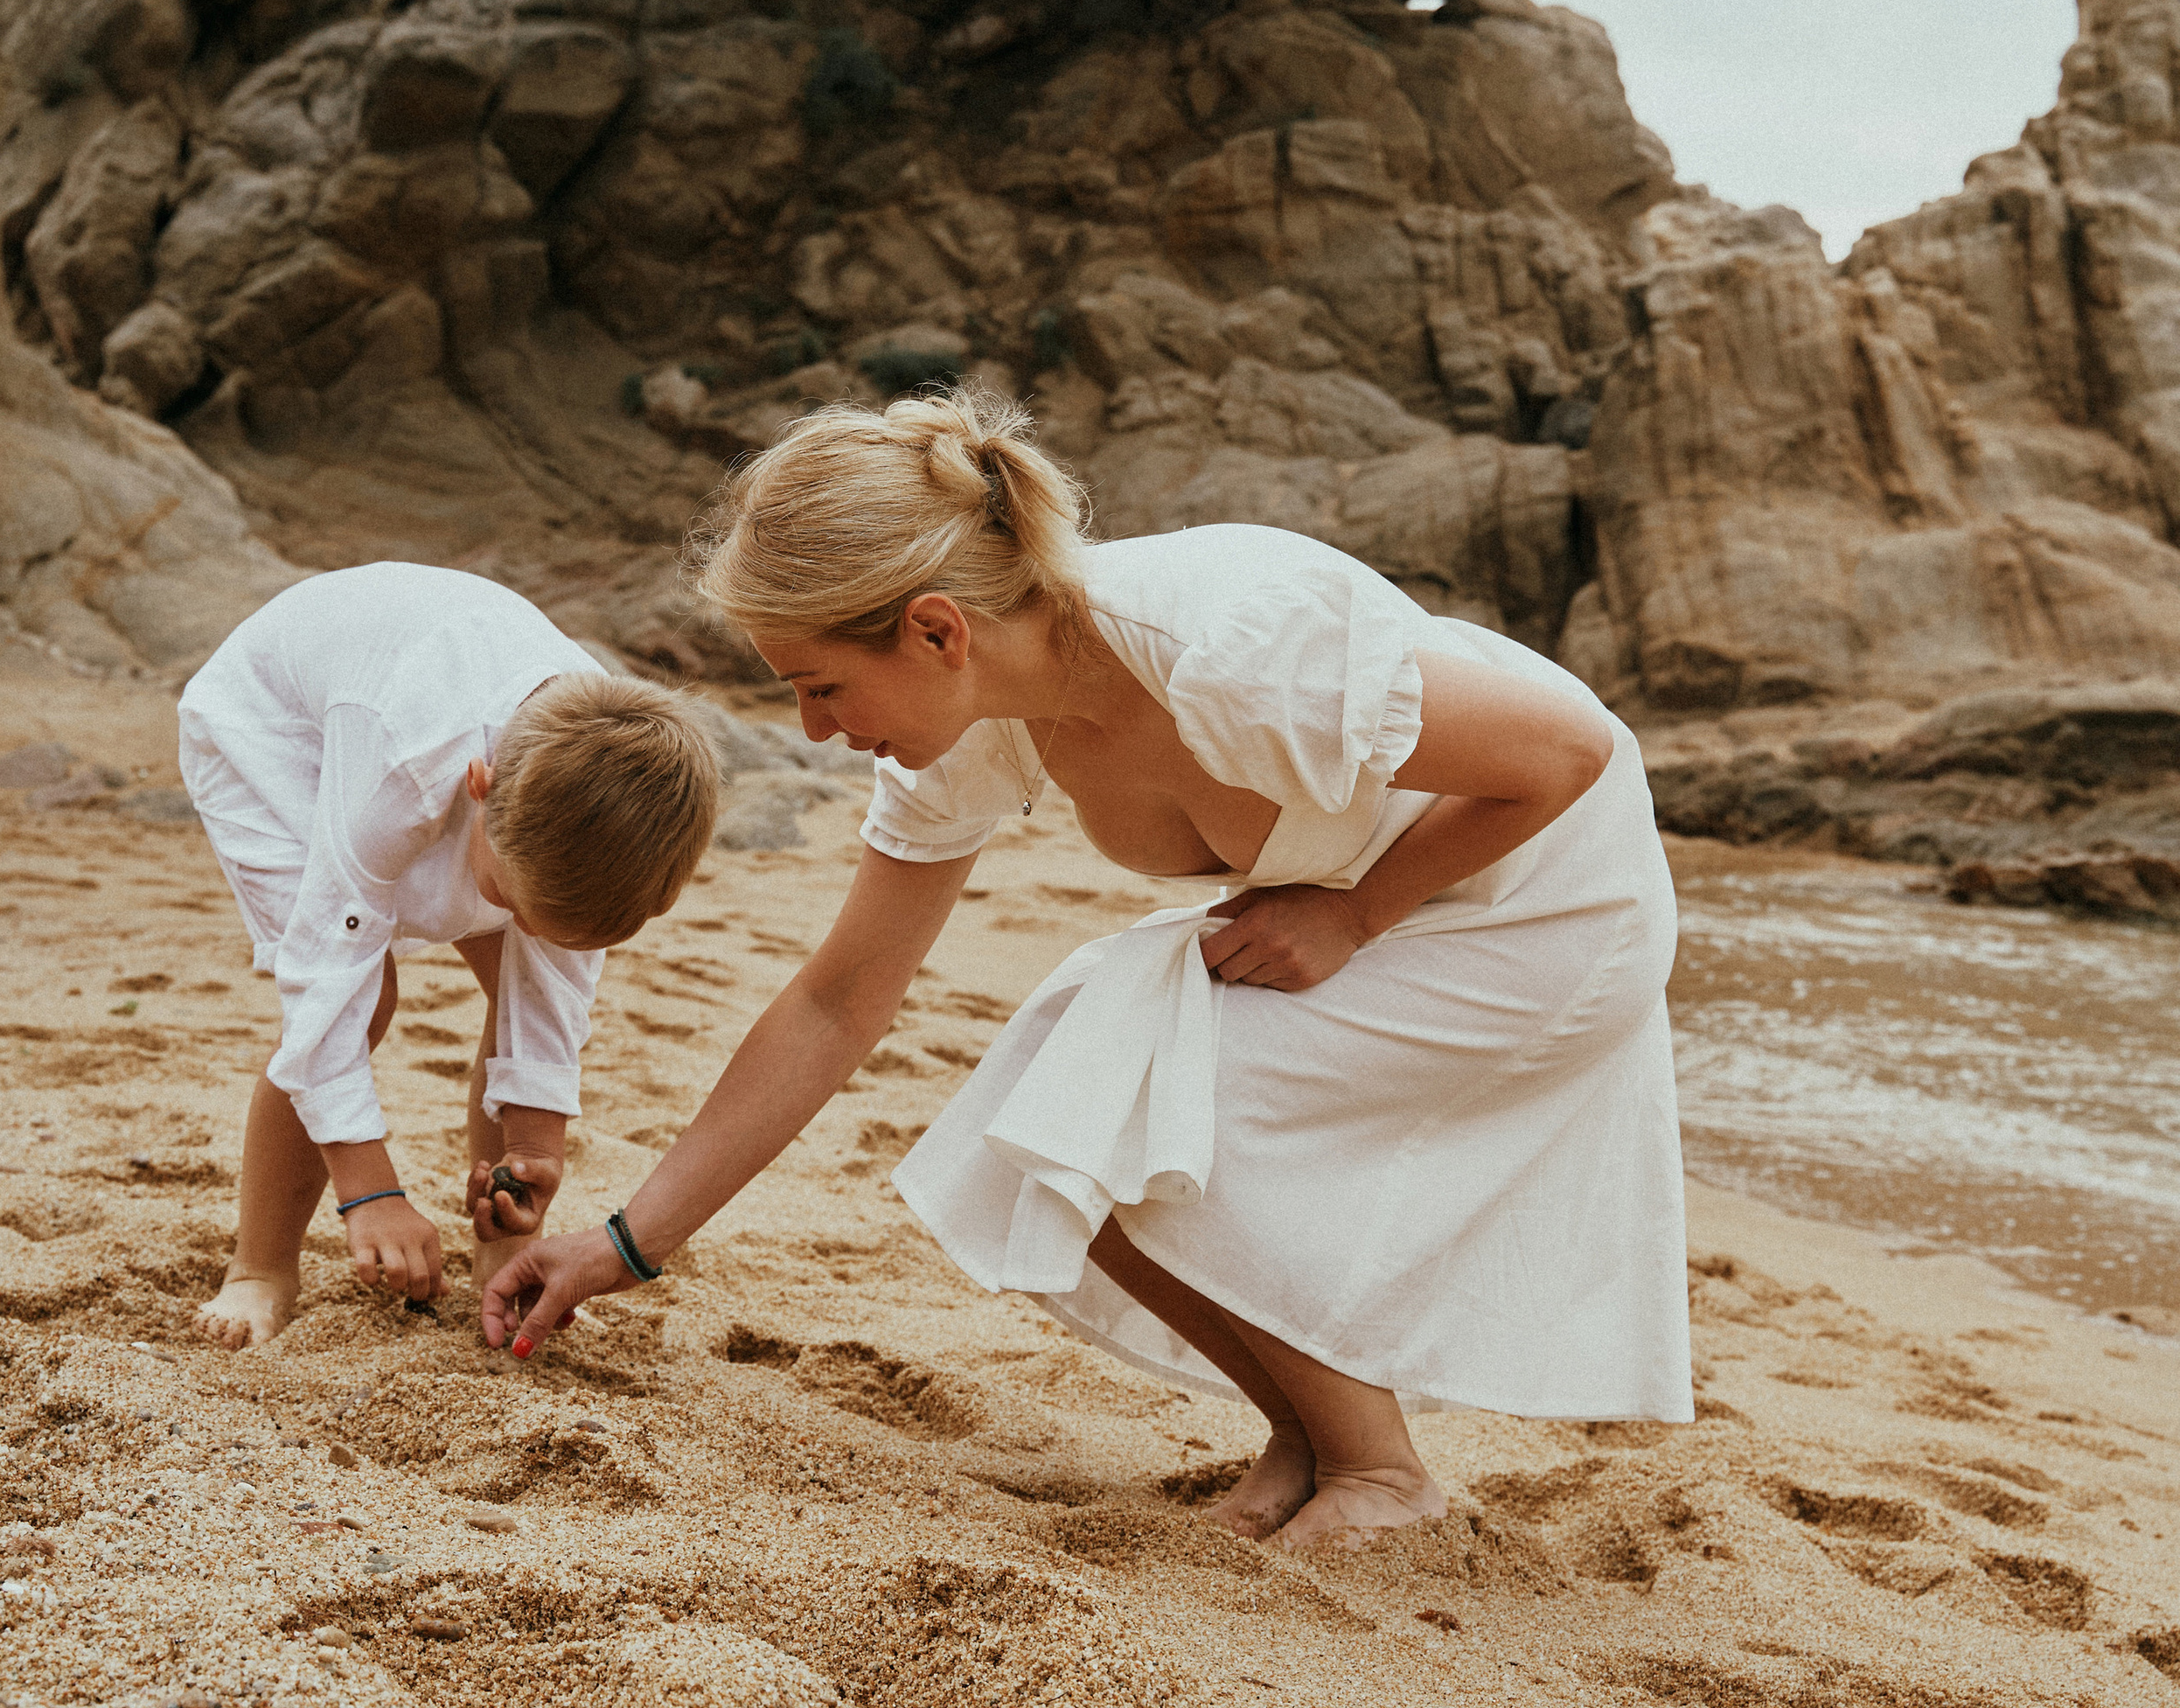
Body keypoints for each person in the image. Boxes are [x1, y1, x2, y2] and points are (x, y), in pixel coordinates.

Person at [480, 392, 1690, 1547]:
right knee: (1058, 1104)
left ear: (937, 629)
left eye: (820, 687)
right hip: (1384, 896)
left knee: (1101, 1095)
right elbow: (838, 1000)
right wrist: (624, 1244)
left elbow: (1567, 753)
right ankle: (1311, 1438)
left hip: (1535, 894)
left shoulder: (1222, 647)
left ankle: (1379, 1469)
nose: (812, 732)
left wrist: (1359, 912)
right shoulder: (971, 725)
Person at [179, 561, 717, 1351]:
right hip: (276, 732)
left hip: (416, 733)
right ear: (481, 788)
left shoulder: (595, 777)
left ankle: (500, 1255)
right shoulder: (405, 761)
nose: (518, 925)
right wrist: (371, 1193)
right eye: (509, 900)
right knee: (370, 999)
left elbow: (546, 1000)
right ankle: (260, 1267)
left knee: (517, 977)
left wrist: (536, 1151)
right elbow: (325, 981)